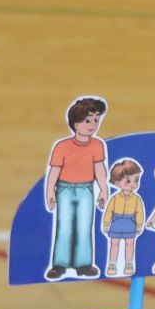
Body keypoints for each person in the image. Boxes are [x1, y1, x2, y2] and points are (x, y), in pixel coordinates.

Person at [43, 95, 108, 280]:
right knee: (64, 226)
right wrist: (49, 191)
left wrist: (103, 189)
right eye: (88, 120)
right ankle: (59, 264)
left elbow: (99, 169)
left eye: (96, 120)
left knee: (84, 226)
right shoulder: (62, 146)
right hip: (64, 189)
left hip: (86, 189)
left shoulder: (97, 145)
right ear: (76, 123)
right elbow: (55, 170)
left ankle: (83, 264)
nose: (93, 124)